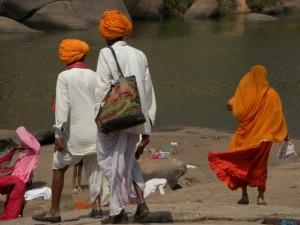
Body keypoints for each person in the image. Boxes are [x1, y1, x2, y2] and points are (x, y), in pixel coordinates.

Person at [95, 10, 156, 224]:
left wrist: (100, 117)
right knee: (126, 162)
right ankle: (128, 206)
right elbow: (147, 90)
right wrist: (149, 122)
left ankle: (116, 212)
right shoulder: (140, 54)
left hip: (114, 117)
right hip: (136, 115)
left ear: (106, 33)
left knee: (107, 160)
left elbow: (102, 89)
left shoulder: (105, 53)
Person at [32, 39, 104, 223]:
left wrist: (58, 134)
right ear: (84, 55)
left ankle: (54, 211)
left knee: (58, 168)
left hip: (74, 134)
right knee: (94, 169)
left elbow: (63, 108)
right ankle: (97, 207)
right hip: (95, 132)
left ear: (66, 57)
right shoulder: (95, 75)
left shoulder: (64, 77)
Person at [208, 65, 288, 205]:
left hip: (243, 136)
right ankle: (260, 197)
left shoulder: (245, 93)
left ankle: (244, 196)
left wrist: (240, 96)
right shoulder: (271, 93)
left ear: (249, 77)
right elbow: (277, 115)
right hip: (263, 138)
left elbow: (229, 105)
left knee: (241, 164)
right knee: (260, 166)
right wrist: (283, 134)